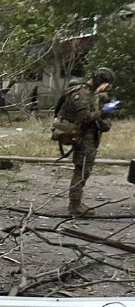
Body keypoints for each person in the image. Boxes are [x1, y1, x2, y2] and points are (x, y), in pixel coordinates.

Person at [57, 67, 115, 217]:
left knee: (84, 170)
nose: (105, 88)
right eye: (105, 84)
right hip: (83, 138)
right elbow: (83, 118)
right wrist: (103, 112)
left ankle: (76, 202)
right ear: (98, 80)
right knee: (81, 170)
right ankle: (74, 204)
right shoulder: (82, 94)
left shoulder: (91, 93)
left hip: (89, 138)